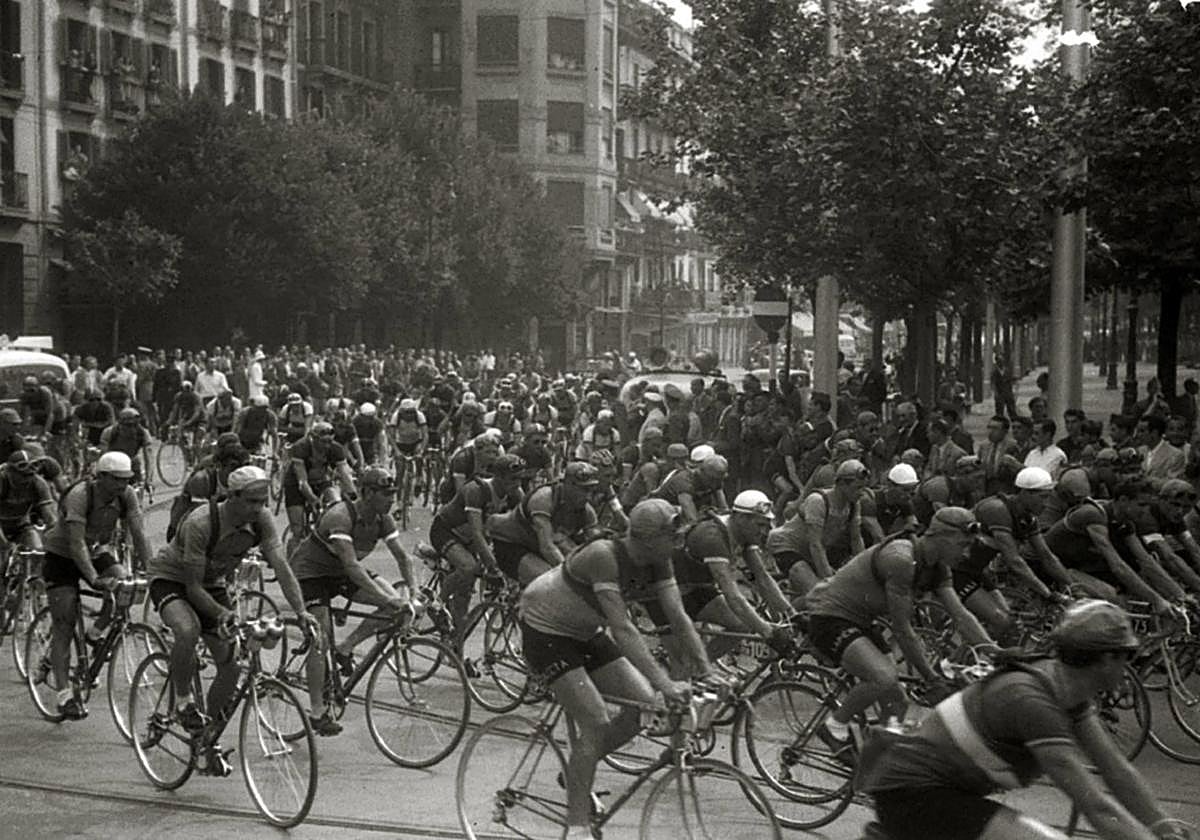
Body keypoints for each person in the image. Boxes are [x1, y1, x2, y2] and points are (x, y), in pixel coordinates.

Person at [860, 600, 1193, 840]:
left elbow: (1116, 769)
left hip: (945, 790)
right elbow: (1093, 803)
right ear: (1107, 659)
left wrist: (1162, 824)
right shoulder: (1031, 700)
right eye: (1129, 656)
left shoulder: (1067, 691)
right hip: (916, 795)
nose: (1130, 667)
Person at [518, 499, 712, 840]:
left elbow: (678, 616)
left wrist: (707, 671)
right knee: (595, 721)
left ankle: (580, 767)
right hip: (545, 632)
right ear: (650, 538)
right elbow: (623, 629)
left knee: (643, 708)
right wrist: (666, 684)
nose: (679, 542)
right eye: (673, 535)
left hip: (583, 632)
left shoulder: (658, 558)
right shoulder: (603, 555)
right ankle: (576, 827)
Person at [146, 467, 318, 767]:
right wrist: (223, 613)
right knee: (188, 630)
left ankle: (206, 733)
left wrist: (301, 611)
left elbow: (280, 565)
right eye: (252, 501)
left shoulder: (261, 520)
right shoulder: (201, 522)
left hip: (212, 584)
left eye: (262, 501)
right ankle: (184, 700)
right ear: (233, 497)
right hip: (173, 579)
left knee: (232, 664)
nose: (258, 508)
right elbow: (193, 588)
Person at [807, 507, 996, 748]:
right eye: (962, 544)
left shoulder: (938, 567)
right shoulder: (901, 558)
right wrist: (931, 677)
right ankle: (834, 727)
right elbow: (902, 629)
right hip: (829, 616)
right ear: (941, 537)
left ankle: (874, 764)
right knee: (883, 678)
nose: (967, 553)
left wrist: (995, 652)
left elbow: (962, 615)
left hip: (861, 620)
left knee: (899, 704)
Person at [289, 468, 417, 735]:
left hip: (340, 573)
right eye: (385, 495)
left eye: (393, 495)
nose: (391, 500)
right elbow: (352, 566)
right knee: (319, 638)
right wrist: (386, 598)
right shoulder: (341, 516)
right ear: (367, 493)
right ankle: (317, 711)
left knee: (396, 605)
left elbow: (403, 558)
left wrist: (412, 596)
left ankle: (346, 647)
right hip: (310, 574)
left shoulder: (383, 519)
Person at [40, 452, 151, 719]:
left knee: (124, 586)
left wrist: (152, 571)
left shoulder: (126, 496)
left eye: (126, 480)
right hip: (62, 554)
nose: (122, 486)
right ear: (100, 477)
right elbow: (76, 543)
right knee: (65, 620)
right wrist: (93, 578)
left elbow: (138, 533)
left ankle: (95, 633)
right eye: (116, 480)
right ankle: (64, 694)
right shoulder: (80, 496)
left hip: (96, 549)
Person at [431, 454, 527, 634]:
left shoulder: (516, 495)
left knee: (464, 594)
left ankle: (455, 647)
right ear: (498, 477)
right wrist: (493, 566)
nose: (518, 483)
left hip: (471, 539)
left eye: (521, 478)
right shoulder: (476, 490)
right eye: (513, 479)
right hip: (445, 531)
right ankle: (437, 603)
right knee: (469, 567)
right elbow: (476, 532)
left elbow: (521, 530)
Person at [487, 461, 600, 586]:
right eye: (583, 490)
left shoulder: (587, 512)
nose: (588, 496)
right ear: (567, 485)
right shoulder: (543, 499)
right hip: (511, 544)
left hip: (536, 545)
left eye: (591, 490)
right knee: (551, 582)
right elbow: (547, 547)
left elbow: (594, 548)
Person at [767, 459, 869, 597]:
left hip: (809, 551)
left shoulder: (853, 505)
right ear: (841, 484)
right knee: (820, 596)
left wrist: (866, 572)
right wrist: (827, 577)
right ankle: (790, 614)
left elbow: (856, 540)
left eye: (864, 487)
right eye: (857, 488)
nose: (862, 493)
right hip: (786, 546)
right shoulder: (818, 501)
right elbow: (815, 544)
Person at [282, 421, 356, 556]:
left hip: (321, 481)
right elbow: (302, 481)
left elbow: (345, 474)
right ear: (314, 438)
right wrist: (312, 499)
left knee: (336, 501)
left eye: (329, 441)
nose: (327, 445)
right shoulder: (301, 447)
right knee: (297, 529)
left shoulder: (336, 448)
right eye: (323, 442)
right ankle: (291, 566)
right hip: (295, 484)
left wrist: (352, 494)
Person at [100, 407, 153, 490]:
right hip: (113, 464)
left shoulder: (143, 433)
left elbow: (149, 458)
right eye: (128, 426)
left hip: (132, 462)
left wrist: (148, 479)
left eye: (135, 425)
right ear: (120, 425)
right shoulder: (109, 432)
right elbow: (103, 456)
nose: (132, 429)